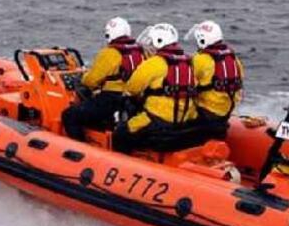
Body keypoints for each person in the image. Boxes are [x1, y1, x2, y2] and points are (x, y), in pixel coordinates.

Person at [112, 23, 197, 152]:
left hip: (157, 120)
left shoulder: (154, 63)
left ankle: (125, 159)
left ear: (159, 41)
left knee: (120, 134)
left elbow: (132, 88)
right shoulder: (189, 62)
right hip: (183, 120)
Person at [61, 17, 144, 141]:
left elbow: (90, 81)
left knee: (70, 115)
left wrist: (82, 78)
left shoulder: (109, 53)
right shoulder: (140, 52)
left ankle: (80, 145)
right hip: (132, 100)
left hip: (111, 100)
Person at [186, 20, 243, 138]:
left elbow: (185, 82)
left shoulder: (200, 59)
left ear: (202, 40)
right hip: (225, 111)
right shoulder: (233, 58)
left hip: (206, 113)